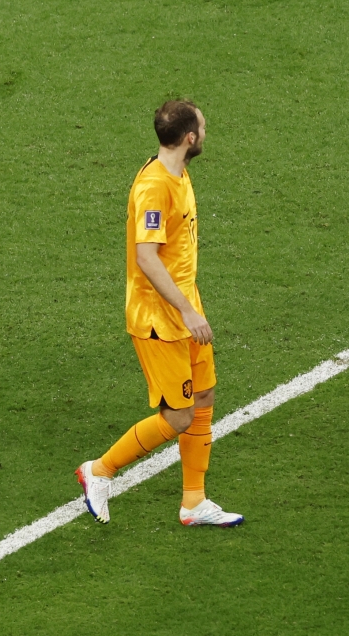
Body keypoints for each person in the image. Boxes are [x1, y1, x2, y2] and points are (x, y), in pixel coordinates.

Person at [76, 100, 243, 527]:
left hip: (186, 305)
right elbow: (147, 258)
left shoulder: (176, 170)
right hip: (159, 318)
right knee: (178, 416)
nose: (206, 132)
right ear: (190, 137)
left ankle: (193, 502)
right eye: (202, 127)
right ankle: (98, 471)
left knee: (204, 396)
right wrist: (187, 312)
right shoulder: (155, 186)